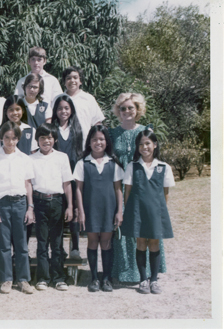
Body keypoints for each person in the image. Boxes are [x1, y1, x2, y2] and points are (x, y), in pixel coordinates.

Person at [109, 93, 166, 283]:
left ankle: (148, 273)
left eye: (130, 108)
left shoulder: (145, 131)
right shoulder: (112, 133)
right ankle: (124, 271)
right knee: (123, 224)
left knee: (145, 226)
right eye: (123, 108)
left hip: (141, 183)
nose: (126, 111)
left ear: (138, 110)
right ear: (118, 110)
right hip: (119, 184)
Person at [121, 130, 175, 294]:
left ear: (155, 145)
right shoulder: (132, 166)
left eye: (148, 143)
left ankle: (154, 280)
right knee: (141, 242)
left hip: (155, 213)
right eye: (141, 144)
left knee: (154, 243)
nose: (144, 147)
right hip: (137, 211)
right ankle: (143, 279)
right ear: (137, 147)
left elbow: (165, 194)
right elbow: (127, 192)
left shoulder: (164, 167)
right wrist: (129, 213)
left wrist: (160, 215)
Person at [0, 121, 36, 294]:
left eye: (14, 138)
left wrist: (30, 207)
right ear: (1, 138)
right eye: (7, 138)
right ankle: (6, 279)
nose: (10, 142)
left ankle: (23, 280)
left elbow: (28, 184)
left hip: (20, 203)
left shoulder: (25, 159)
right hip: (2, 204)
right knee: (4, 243)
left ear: (18, 139)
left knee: (21, 244)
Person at [74, 125, 124, 292]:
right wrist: (80, 211)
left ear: (107, 142)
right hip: (90, 209)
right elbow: (78, 189)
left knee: (106, 242)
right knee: (93, 241)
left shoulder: (113, 163)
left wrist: (119, 211)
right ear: (89, 142)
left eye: (101, 139)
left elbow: (118, 189)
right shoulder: (83, 163)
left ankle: (107, 278)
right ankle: (94, 278)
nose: (98, 142)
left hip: (109, 209)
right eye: (94, 139)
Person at [30, 123, 74, 291]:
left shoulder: (62, 157)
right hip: (39, 202)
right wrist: (31, 206)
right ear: (37, 140)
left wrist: (69, 206)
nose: (46, 141)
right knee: (42, 243)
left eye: (49, 138)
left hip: (57, 202)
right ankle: (42, 277)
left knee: (57, 243)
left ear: (54, 139)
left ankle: (58, 277)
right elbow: (28, 184)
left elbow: (67, 184)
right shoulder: (31, 158)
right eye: (42, 138)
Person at [51, 95, 84, 260]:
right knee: (58, 214)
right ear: (55, 111)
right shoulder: (52, 129)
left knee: (74, 212)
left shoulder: (77, 129)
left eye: (66, 108)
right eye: (60, 108)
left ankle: (75, 247)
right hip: (56, 177)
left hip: (72, 176)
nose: (63, 111)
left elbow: (79, 154)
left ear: (71, 110)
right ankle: (58, 248)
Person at [55, 66, 104, 144]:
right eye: (68, 78)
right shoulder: (58, 99)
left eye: (75, 77)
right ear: (64, 82)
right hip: (62, 145)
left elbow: (97, 122)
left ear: (80, 81)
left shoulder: (88, 99)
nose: (72, 80)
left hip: (84, 144)